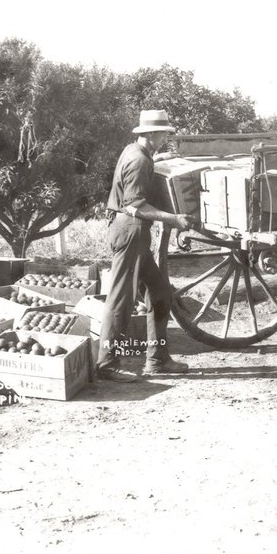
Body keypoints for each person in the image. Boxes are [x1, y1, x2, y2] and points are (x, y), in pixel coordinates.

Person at [97, 109, 196, 382]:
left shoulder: (135, 152)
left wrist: (159, 160)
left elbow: (141, 171)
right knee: (121, 300)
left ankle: (157, 359)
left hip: (131, 232)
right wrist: (173, 218)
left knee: (160, 293)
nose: (166, 137)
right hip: (130, 231)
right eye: (164, 133)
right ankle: (106, 364)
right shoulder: (139, 161)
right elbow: (135, 205)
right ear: (150, 134)